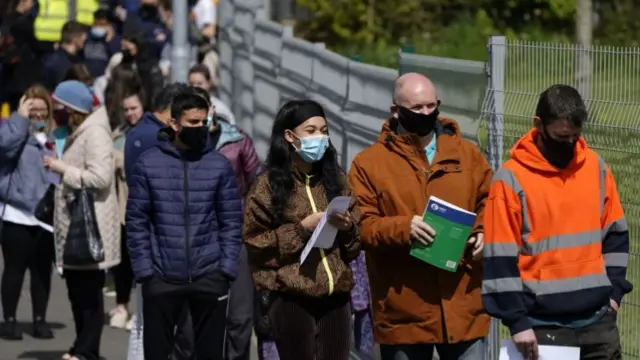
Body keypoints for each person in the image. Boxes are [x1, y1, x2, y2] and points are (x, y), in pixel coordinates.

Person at [482, 84, 633, 360]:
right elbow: (499, 258)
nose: (570, 144)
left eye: (576, 136)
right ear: (538, 125)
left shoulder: (595, 168)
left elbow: (616, 234)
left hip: (598, 323)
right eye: (561, 136)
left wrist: (613, 295)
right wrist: (517, 322)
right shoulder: (510, 179)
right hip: (540, 329)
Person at [348, 73, 492, 360]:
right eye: (416, 108)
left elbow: (489, 202)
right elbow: (360, 226)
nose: (426, 113)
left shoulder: (468, 155)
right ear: (395, 111)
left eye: (431, 106)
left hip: (461, 304)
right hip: (404, 309)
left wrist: (483, 232)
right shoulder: (368, 164)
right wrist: (404, 228)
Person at [126, 86, 243, 359]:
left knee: (209, 352)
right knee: (158, 351)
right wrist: (146, 272)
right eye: (193, 122)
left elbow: (231, 220)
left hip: (209, 276)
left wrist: (224, 270)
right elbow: (137, 221)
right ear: (174, 123)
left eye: (204, 122)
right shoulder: (149, 164)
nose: (200, 128)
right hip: (162, 277)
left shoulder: (218, 165)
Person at [244, 99, 361, 360]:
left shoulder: (337, 180)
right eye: (311, 131)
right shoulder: (267, 186)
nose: (320, 137)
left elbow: (353, 249)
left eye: (324, 130)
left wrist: (347, 228)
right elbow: (255, 244)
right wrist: (301, 229)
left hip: (336, 297)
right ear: (289, 136)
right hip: (291, 299)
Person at [46, 80, 120, 360]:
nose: (56, 111)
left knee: (88, 294)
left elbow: (101, 177)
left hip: (92, 228)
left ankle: (88, 350)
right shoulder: (78, 132)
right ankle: (81, 345)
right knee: (76, 292)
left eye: (60, 106)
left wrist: (63, 169)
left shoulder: (95, 133)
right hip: (74, 223)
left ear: (73, 108)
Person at [196, 88, 262, 360]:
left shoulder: (237, 141)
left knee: (240, 317)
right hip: (198, 241)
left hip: (236, 238)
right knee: (202, 316)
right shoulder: (181, 145)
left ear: (212, 110)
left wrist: (245, 221)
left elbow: (257, 183)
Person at [0, 85, 57, 340]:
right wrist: (19, 119)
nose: (37, 115)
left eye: (41, 111)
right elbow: (5, 148)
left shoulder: (55, 138)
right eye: (32, 110)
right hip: (16, 213)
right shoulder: (13, 131)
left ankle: (39, 320)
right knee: (14, 269)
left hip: (46, 217)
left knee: (42, 271)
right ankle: (10, 320)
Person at [107, 80, 146, 330]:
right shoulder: (118, 135)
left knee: (140, 261)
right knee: (122, 261)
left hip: (142, 206)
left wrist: (121, 160)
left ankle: (140, 311)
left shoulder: (151, 134)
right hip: (121, 207)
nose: (130, 113)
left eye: (134, 108)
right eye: (127, 109)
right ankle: (121, 305)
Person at [42, 21, 87, 91]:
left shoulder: (78, 59)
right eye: (82, 36)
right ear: (75, 38)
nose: (85, 39)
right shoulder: (56, 63)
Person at [84, 9, 121, 78]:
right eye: (96, 24)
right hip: (87, 76)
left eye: (102, 25)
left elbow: (117, 56)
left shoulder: (116, 39)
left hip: (104, 78)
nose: (98, 27)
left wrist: (109, 39)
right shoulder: (87, 36)